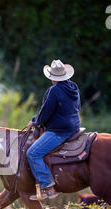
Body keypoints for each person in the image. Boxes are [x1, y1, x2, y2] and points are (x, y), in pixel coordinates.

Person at [26, 59, 81, 200]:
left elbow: (45, 113)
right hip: (74, 126)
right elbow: (77, 107)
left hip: (60, 131)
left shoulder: (54, 91)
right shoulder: (73, 87)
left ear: (52, 78)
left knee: (32, 153)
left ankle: (48, 187)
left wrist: (34, 122)